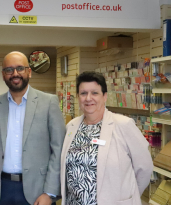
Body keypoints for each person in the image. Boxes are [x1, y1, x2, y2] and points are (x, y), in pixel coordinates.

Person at [0, 51, 66, 205]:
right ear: (3, 74)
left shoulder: (49, 103)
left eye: (20, 68)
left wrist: (49, 192)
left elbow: (58, 151)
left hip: (38, 192)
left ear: (29, 72)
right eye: (9, 70)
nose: (15, 74)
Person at [60, 71, 153, 205]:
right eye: (83, 93)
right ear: (78, 97)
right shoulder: (71, 126)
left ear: (104, 96)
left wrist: (129, 197)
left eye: (95, 93)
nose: (88, 98)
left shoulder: (123, 125)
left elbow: (144, 168)